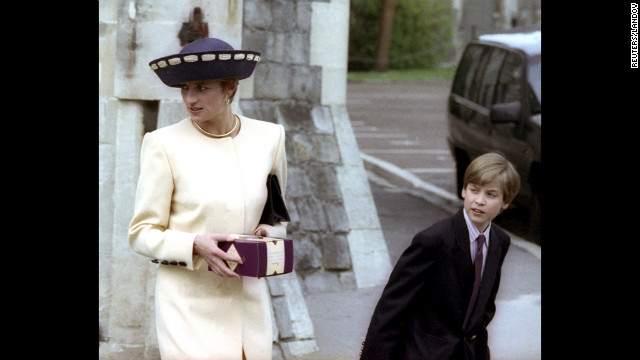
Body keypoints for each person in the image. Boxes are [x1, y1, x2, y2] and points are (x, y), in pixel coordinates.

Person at [128, 37, 286, 360]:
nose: (190, 98)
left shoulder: (270, 138)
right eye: (185, 88)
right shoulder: (162, 145)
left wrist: (273, 234)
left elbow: (277, 216)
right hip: (187, 310)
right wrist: (195, 245)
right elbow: (141, 233)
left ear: (230, 87)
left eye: (202, 88)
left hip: (248, 309)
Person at [359, 152, 520, 360]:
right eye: (474, 190)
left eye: (490, 195)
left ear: (505, 202)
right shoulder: (433, 240)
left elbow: (483, 308)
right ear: (463, 190)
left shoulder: (499, 241)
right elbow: (391, 310)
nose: (479, 201)